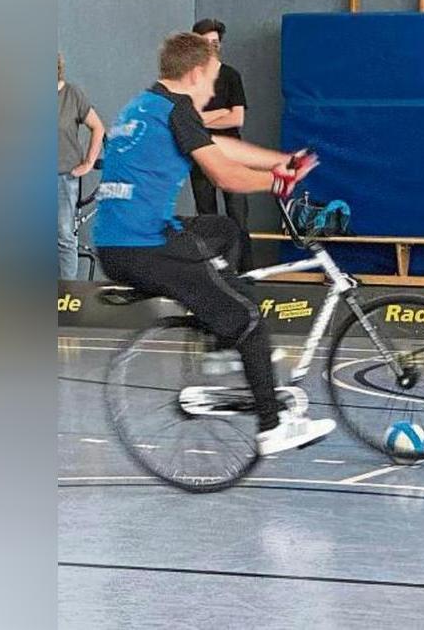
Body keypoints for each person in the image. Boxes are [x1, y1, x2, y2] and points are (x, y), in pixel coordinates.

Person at [93, 32, 334, 455]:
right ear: (196, 72)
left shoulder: (145, 105)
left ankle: (221, 345)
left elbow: (218, 146)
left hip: (117, 242)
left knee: (222, 231)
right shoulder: (177, 109)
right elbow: (225, 176)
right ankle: (272, 427)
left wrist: (278, 161)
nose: (213, 91)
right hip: (146, 245)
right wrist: (280, 183)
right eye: (212, 80)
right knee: (249, 319)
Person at [189, 18, 254, 271]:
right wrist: (220, 113)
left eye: (215, 43)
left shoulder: (230, 76)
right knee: (207, 217)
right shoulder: (190, 79)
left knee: (238, 216)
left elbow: (237, 118)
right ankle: (212, 273)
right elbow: (190, 119)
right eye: (205, 43)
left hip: (231, 155)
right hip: (201, 155)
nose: (210, 48)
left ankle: (247, 273)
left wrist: (207, 118)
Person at [58, 52, 106, 280]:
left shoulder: (72, 94)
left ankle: (66, 296)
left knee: (64, 236)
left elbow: (98, 127)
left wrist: (88, 163)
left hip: (63, 177)